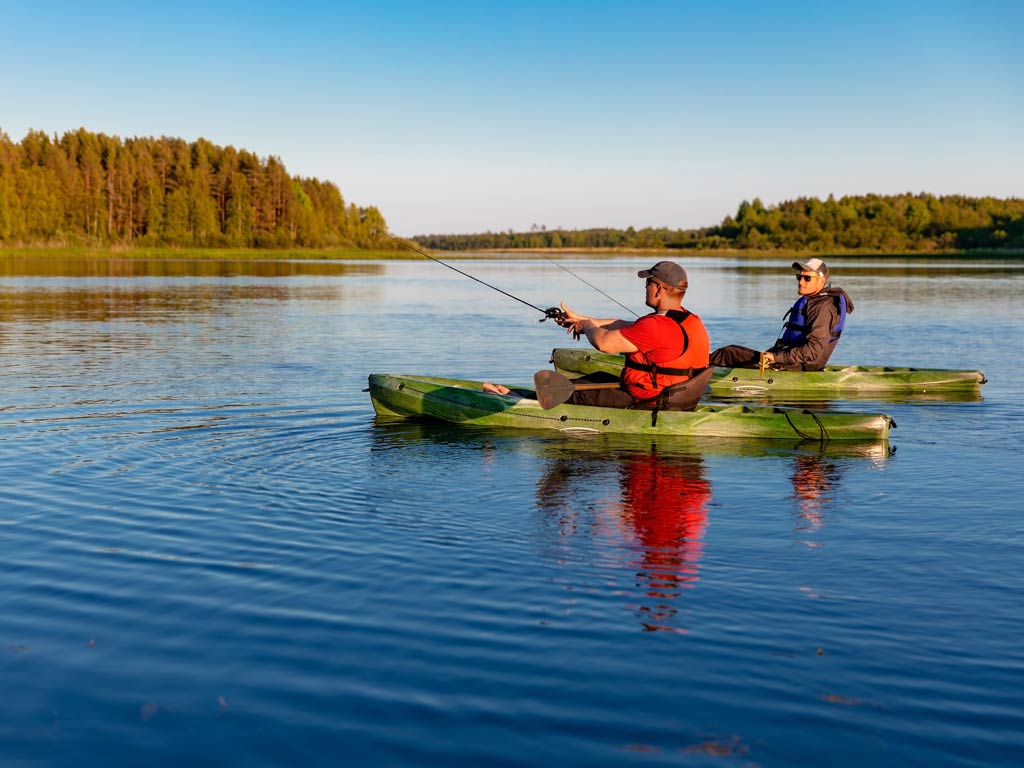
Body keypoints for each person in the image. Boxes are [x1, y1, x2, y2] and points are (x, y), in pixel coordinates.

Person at [536, 261, 710, 408]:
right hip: (676, 399)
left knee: (570, 392)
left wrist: (587, 326)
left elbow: (604, 343)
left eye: (648, 283)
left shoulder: (655, 326)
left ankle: (517, 399)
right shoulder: (689, 320)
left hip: (649, 401)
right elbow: (620, 325)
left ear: (659, 289)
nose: (645, 287)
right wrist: (579, 320)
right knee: (598, 378)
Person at [709, 257, 853, 371]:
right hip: (791, 361)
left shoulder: (823, 308)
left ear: (822, 281)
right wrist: (773, 354)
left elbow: (812, 351)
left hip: (801, 366)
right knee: (732, 353)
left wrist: (776, 357)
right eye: (799, 277)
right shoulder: (813, 301)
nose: (801, 282)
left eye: (807, 278)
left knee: (727, 353)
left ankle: (692, 373)